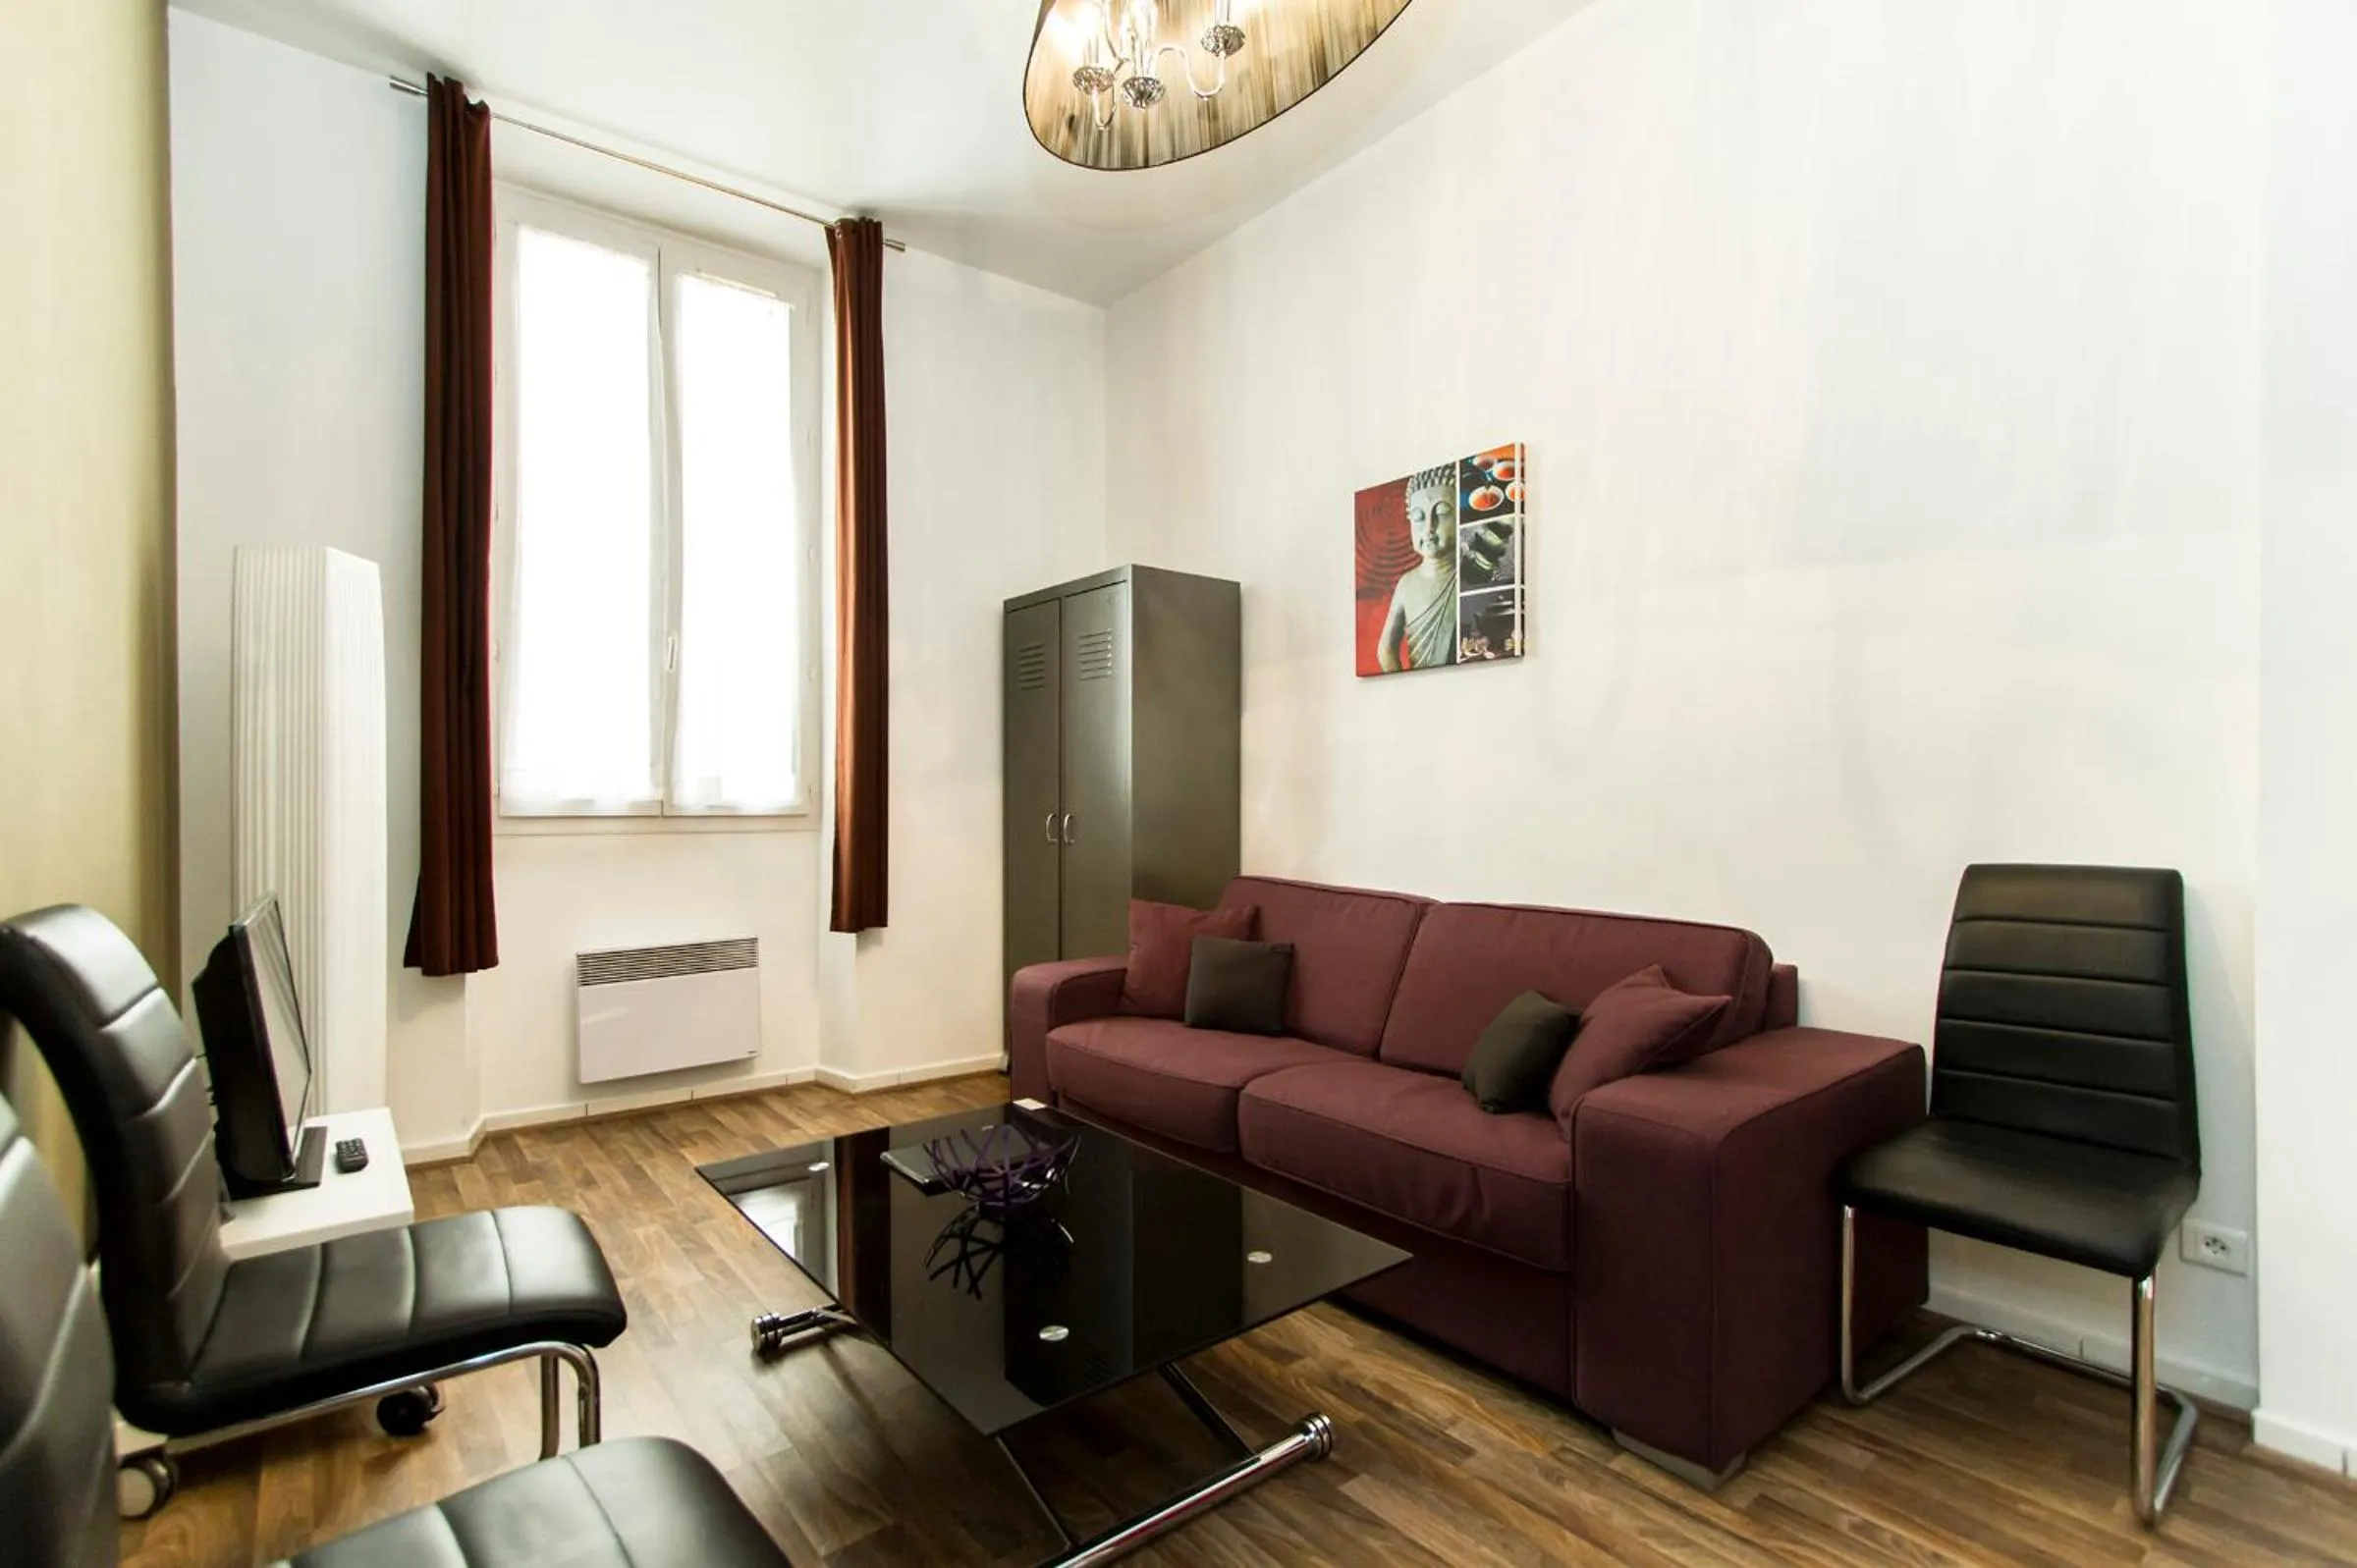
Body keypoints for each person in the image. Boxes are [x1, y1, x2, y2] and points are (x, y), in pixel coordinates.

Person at [1378, 463, 1458, 671]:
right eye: (1418, 517)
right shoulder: (1406, 583)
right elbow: (1386, 648)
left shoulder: (1468, 573)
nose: (1429, 527)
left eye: (1442, 512)